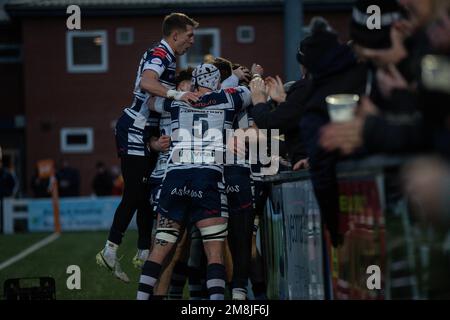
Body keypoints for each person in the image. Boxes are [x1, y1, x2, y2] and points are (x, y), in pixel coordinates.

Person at [96, 13, 199, 282]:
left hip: (144, 130)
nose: (192, 41)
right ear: (174, 35)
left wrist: (156, 135)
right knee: (134, 192)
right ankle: (110, 249)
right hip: (134, 127)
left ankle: (142, 250)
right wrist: (178, 95)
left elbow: (152, 99)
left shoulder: (168, 56)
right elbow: (147, 83)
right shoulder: (161, 53)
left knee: (144, 192)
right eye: (189, 35)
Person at [136, 63, 252, 300]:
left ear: (195, 82)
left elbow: (150, 102)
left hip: (175, 177)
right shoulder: (230, 99)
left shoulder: (177, 101)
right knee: (214, 252)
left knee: (160, 248)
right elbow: (252, 92)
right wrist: (237, 79)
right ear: (217, 82)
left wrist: (178, 92)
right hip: (207, 177)